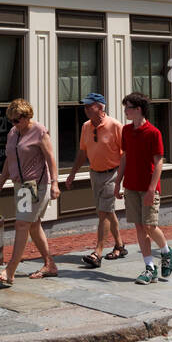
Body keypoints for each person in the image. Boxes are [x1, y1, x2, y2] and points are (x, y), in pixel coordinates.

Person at [0, 98, 60, 285]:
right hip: (21, 186)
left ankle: (10, 270)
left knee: (21, 224)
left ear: (27, 116)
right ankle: (49, 264)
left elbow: (50, 157)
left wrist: (54, 183)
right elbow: (9, 161)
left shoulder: (39, 131)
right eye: (11, 120)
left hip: (35, 184)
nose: (14, 124)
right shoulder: (13, 133)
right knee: (33, 225)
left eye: (17, 120)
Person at [114, 92, 172, 284]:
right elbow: (125, 157)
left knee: (149, 226)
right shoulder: (126, 130)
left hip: (148, 187)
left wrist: (151, 189)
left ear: (138, 109)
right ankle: (149, 267)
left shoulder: (153, 132)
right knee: (139, 227)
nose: (125, 111)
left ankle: (166, 251)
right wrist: (118, 182)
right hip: (131, 185)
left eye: (128, 108)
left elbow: (158, 163)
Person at [64, 92, 127, 266]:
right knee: (107, 211)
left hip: (112, 173)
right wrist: (72, 174)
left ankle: (97, 253)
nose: (85, 109)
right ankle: (120, 245)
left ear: (100, 107)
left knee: (103, 213)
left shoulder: (115, 126)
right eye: (84, 106)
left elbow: (125, 155)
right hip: (95, 173)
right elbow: (83, 152)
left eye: (88, 106)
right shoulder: (86, 126)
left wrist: (121, 180)